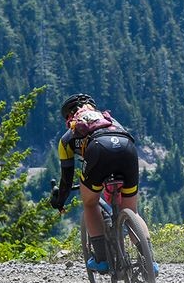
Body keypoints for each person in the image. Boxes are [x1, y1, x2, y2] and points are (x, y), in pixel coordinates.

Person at [48, 93, 140, 273]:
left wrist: (60, 200)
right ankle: (149, 261)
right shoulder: (110, 119)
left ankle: (102, 259)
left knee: (90, 204)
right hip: (128, 148)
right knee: (132, 211)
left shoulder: (68, 137)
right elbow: (123, 139)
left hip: (98, 150)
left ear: (69, 116)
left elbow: (67, 179)